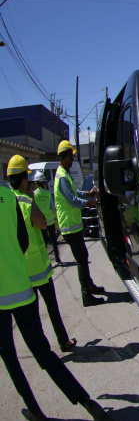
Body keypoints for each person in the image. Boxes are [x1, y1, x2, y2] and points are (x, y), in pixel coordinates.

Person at [0, 181, 111, 421]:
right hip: (21, 287)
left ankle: (36, 413)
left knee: (9, 357)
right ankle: (87, 401)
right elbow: (22, 239)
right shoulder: (8, 196)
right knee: (44, 353)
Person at [8, 157, 77, 354]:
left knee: (32, 315)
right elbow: (43, 224)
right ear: (23, 180)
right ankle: (63, 341)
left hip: (21, 269)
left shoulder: (7, 202)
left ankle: (42, 351)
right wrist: (31, 199)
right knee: (51, 308)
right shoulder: (25, 201)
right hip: (38, 267)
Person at [53, 141, 105, 307]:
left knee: (83, 256)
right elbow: (73, 200)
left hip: (73, 225)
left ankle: (89, 286)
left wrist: (88, 193)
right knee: (82, 260)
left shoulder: (64, 174)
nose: (73, 159)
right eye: (71, 156)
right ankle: (86, 295)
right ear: (64, 156)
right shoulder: (61, 177)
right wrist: (90, 202)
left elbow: (75, 192)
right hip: (69, 227)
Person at [31, 172, 60, 264]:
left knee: (43, 243)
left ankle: (45, 261)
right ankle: (57, 259)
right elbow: (53, 208)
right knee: (54, 241)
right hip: (50, 221)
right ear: (44, 182)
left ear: (36, 183)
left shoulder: (34, 194)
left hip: (40, 223)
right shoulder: (48, 194)